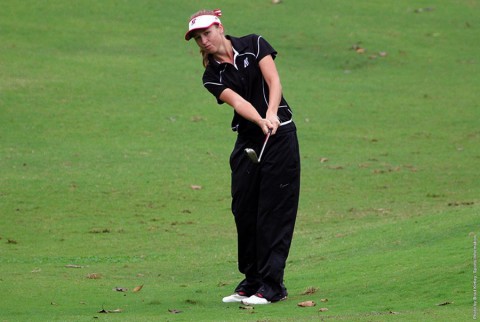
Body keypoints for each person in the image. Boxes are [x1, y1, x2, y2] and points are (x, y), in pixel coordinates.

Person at [185, 9, 301, 305]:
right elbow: (238, 102)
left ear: (219, 28)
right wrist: (260, 121)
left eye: (207, 33)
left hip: (280, 136)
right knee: (244, 210)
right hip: (250, 139)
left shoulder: (254, 43)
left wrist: (272, 114)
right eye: (198, 38)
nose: (204, 41)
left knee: (273, 213)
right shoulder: (211, 75)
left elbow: (273, 82)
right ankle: (251, 281)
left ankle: (272, 286)